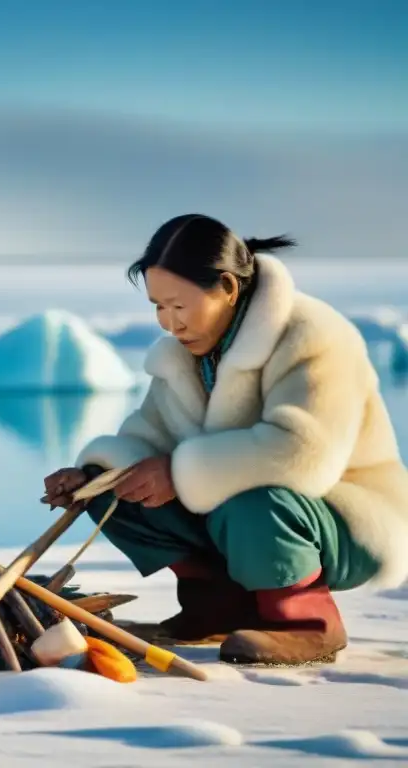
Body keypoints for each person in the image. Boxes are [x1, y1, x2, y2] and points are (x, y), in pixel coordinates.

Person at [42, 213, 408, 667]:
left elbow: (303, 453)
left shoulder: (312, 336)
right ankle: (216, 608)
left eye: (179, 306)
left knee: (248, 497)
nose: (168, 324)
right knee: (120, 491)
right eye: (158, 306)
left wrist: (178, 473)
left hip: (346, 516)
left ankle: (305, 622)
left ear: (229, 288)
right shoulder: (184, 355)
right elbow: (149, 434)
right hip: (250, 518)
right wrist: (91, 478)